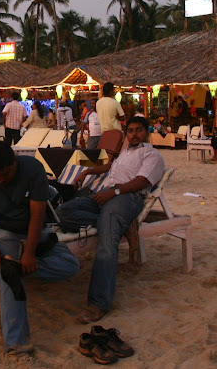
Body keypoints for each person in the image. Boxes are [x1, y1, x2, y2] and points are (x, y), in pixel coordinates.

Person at [0, 141, 79, 355]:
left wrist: (28, 255)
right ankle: (16, 342)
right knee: (10, 279)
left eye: (5, 175)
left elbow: (37, 214)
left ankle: (15, 267)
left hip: (32, 232)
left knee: (70, 265)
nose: (0, 180)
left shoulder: (33, 170)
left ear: (14, 162)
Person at [56, 116, 165, 324]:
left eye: (139, 130)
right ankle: (123, 225)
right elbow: (109, 168)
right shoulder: (125, 152)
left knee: (107, 241)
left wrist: (114, 192)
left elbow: (142, 181)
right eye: (130, 131)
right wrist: (87, 171)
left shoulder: (152, 155)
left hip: (126, 198)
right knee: (63, 212)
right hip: (105, 195)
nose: (134, 134)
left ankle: (99, 304)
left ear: (147, 132)